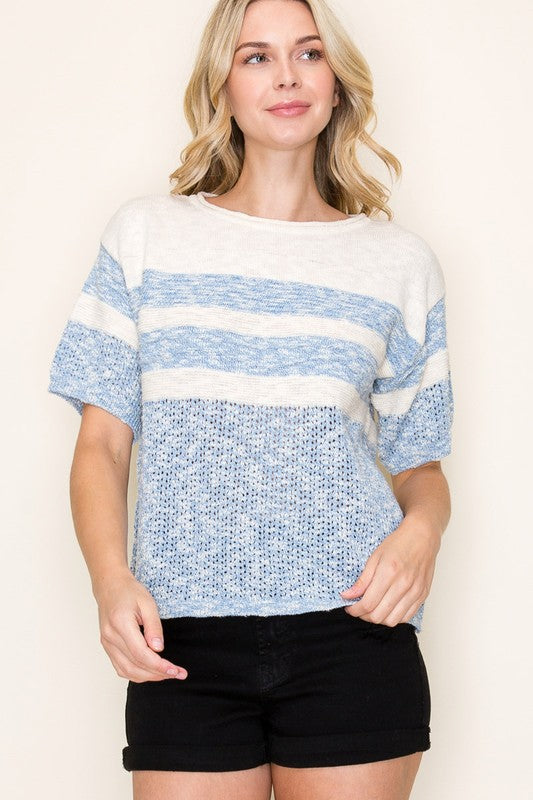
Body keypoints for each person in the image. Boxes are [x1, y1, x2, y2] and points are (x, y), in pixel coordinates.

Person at [47, 1, 454, 798]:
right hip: (180, 644)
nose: (287, 77)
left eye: (308, 53)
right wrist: (109, 581)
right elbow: (101, 443)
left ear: (336, 81)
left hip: (353, 636)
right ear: (222, 85)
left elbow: (421, 465)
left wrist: (421, 534)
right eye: (256, 57)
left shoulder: (396, 263)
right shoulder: (145, 236)